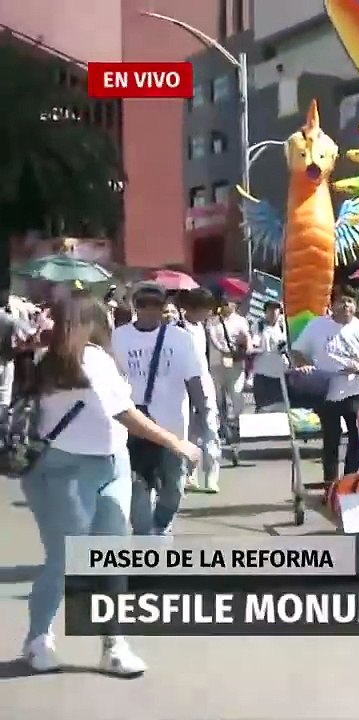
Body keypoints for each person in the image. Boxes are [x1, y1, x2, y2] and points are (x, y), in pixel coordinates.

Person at [19, 291, 200, 676]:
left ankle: (114, 643)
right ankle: (38, 638)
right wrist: (176, 442)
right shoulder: (55, 361)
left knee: (111, 555)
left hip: (112, 464)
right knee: (67, 556)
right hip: (62, 468)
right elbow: (125, 413)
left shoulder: (85, 359)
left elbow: (120, 410)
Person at [111, 282, 208, 535]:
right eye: (143, 304)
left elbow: (194, 379)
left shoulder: (180, 338)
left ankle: (161, 525)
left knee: (174, 486)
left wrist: (204, 416)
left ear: (164, 308)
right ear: (135, 307)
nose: (149, 309)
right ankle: (145, 538)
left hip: (173, 426)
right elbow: (111, 380)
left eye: (156, 304)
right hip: (136, 426)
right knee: (139, 485)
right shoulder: (119, 337)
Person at [291, 287, 359, 487]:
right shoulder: (317, 326)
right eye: (342, 301)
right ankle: (330, 484)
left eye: (350, 301)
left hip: (353, 391)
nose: (346, 305)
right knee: (331, 439)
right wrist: (303, 364)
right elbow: (297, 351)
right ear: (332, 305)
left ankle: (349, 480)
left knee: (358, 437)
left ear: (356, 306)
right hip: (326, 392)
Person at [178, 289, 221, 494]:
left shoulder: (205, 327)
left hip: (205, 382)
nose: (208, 313)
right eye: (205, 309)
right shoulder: (177, 328)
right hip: (185, 385)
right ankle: (189, 474)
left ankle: (211, 476)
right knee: (190, 433)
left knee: (211, 430)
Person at [208, 295, 250, 462]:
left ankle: (235, 427)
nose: (225, 305)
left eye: (228, 303)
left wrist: (245, 347)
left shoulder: (240, 321)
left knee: (236, 396)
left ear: (235, 304)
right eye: (223, 303)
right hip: (217, 364)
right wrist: (223, 349)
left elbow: (246, 337)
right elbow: (211, 337)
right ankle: (222, 427)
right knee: (218, 399)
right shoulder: (213, 321)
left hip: (235, 365)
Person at [251, 299, 289, 411]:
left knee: (281, 408)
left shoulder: (284, 326)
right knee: (263, 408)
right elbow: (255, 344)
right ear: (265, 311)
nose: (273, 312)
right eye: (270, 309)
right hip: (263, 374)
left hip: (280, 374)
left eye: (276, 309)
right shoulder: (259, 325)